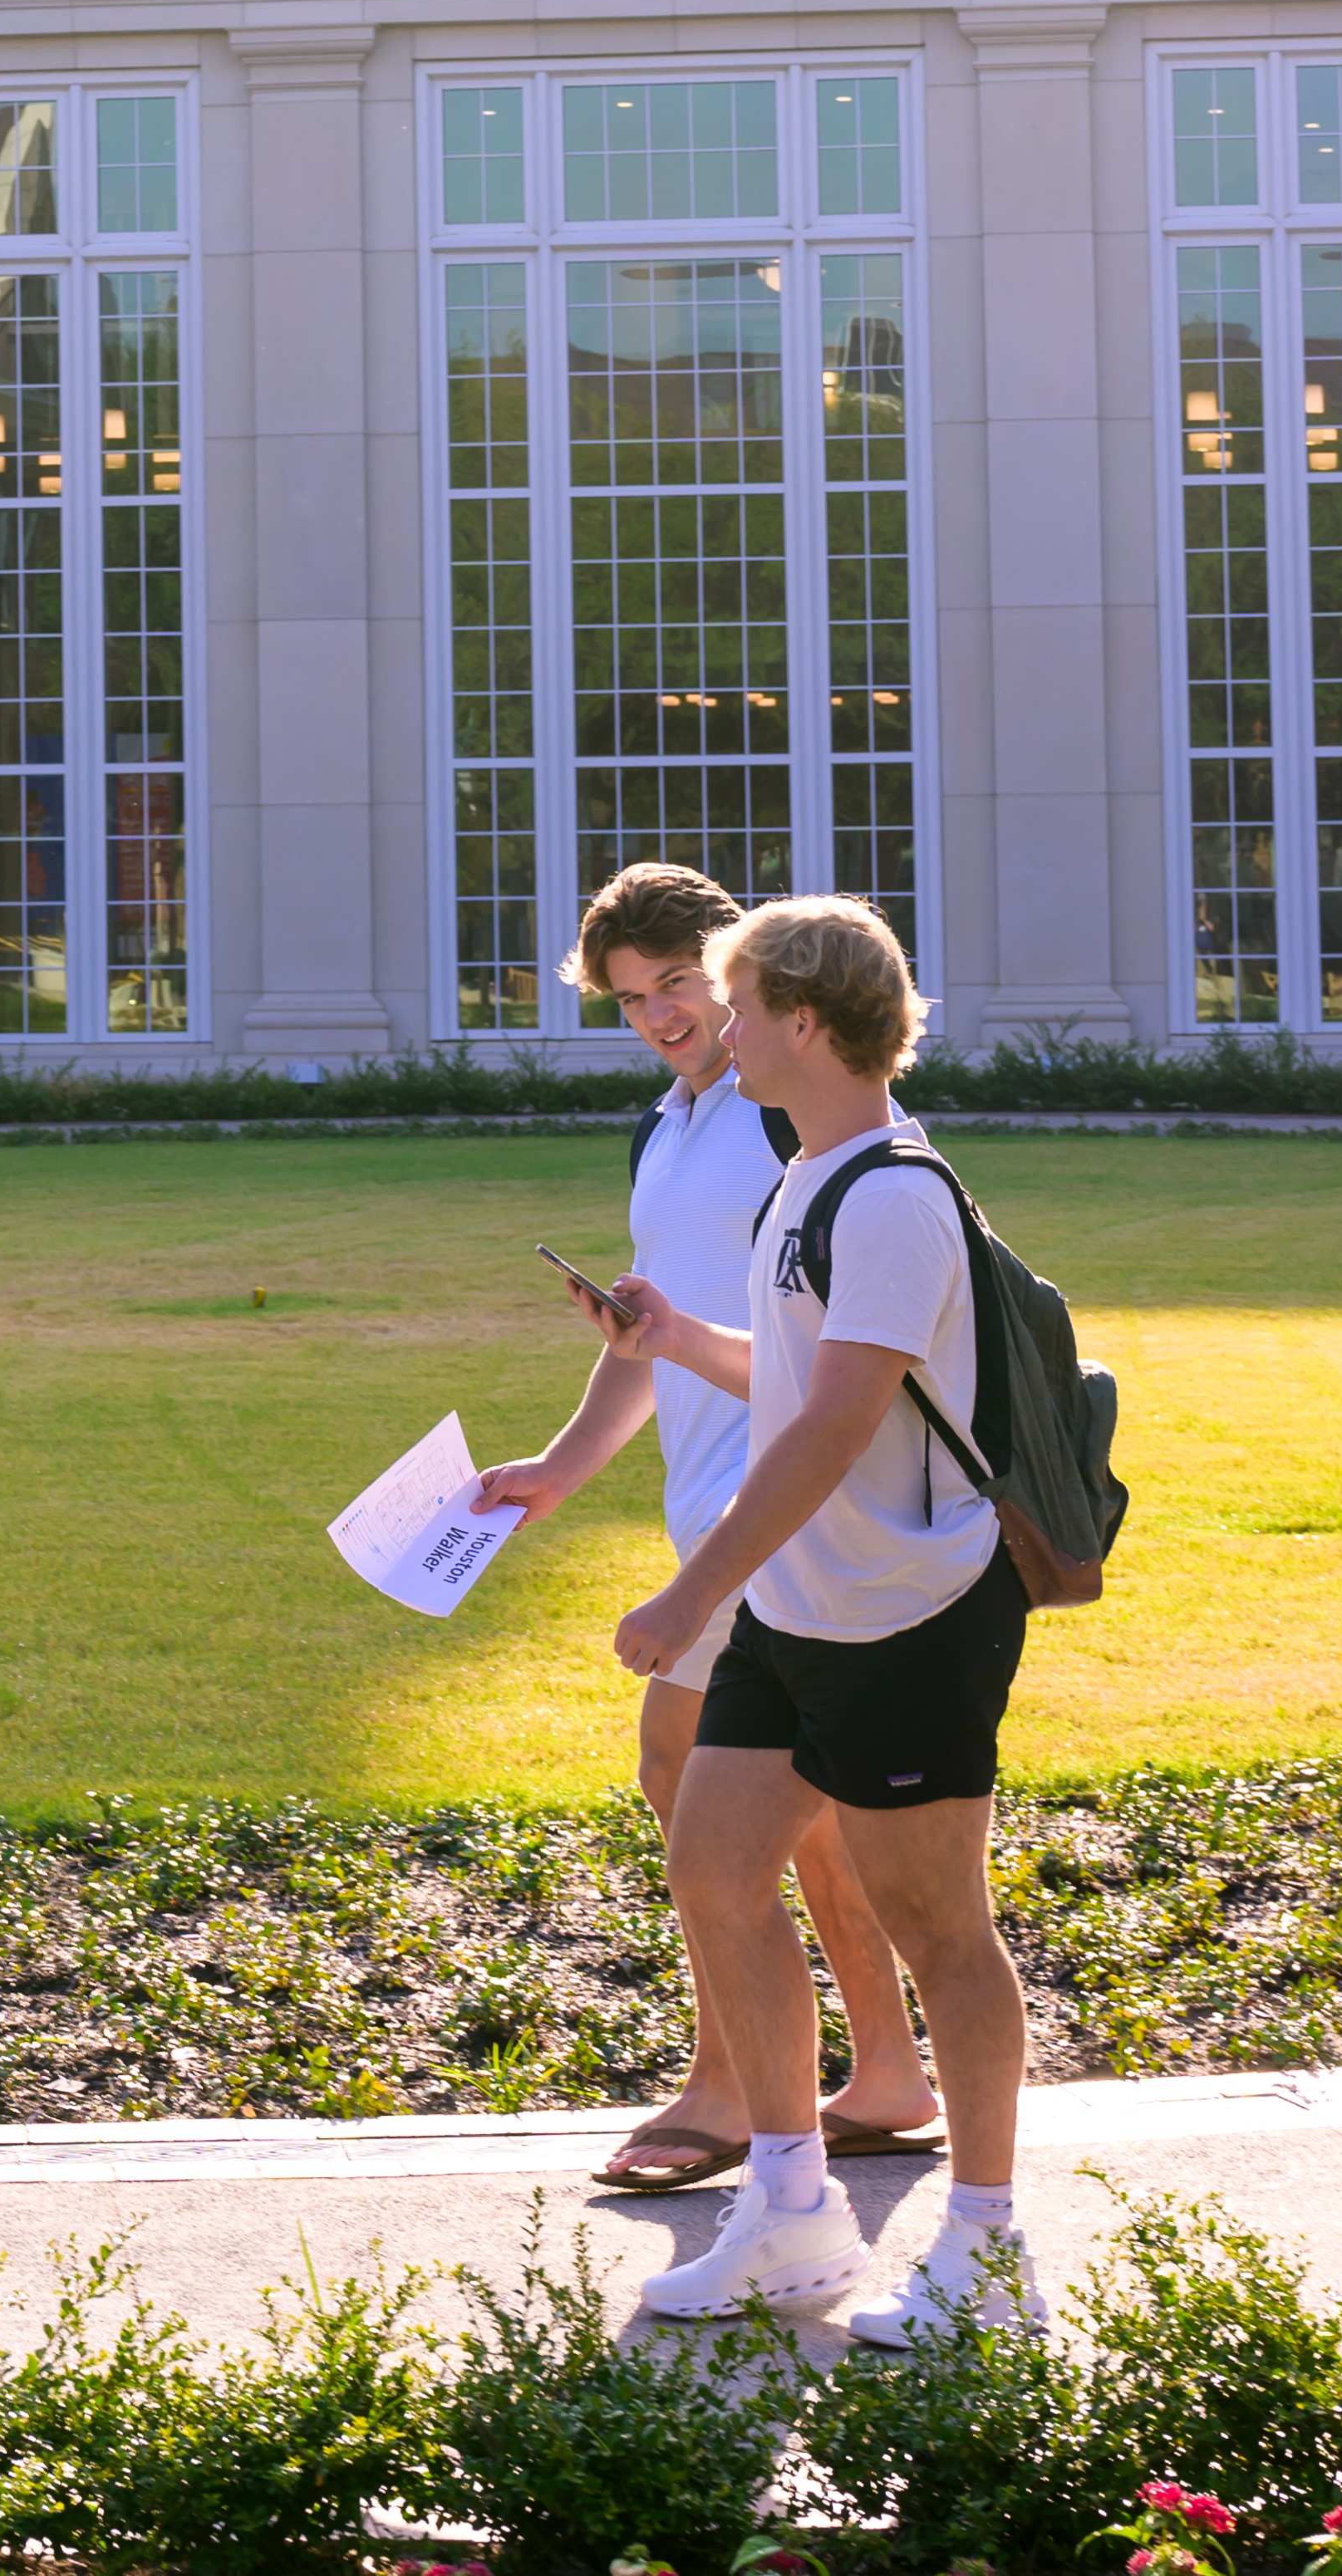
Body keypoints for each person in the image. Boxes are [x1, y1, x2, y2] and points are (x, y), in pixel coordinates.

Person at [597, 893, 1035, 2347]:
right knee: (714, 1867)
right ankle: (789, 2208)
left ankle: (987, 2246)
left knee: (939, 1925)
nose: (711, 1028)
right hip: (796, 1612)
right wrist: (676, 1338)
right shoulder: (805, 1175)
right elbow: (789, 1376)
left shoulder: (893, 1196)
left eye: (731, 1002)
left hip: (906, 1611)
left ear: (799, 1019)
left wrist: (689, 1587)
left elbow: (834, 1426)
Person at [474, 857, 939, 2196]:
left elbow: (843, 1320)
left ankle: (730, 2081)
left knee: (686, 1773)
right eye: (628, 999)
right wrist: (560, 1467)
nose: (659, 1015)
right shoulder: (668, 1126)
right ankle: (884, 2069)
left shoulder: (787, 1112)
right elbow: (653, 1333)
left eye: (677, 982)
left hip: (786, 1503)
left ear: (737, 974)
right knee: (795, 1807)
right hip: (714, 1510)